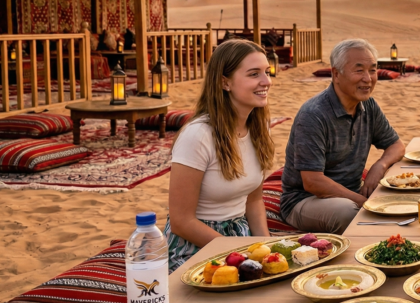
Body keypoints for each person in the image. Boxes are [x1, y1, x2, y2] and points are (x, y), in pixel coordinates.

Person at [165, 39, 275, 272]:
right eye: (254, 74)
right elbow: (181, 222)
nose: (266, 81)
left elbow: (253, 201)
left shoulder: (259, 127)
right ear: (225, 82)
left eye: (267, 72)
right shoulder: (199, 135)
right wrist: (237, 255)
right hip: (196, 245)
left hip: (238, 237)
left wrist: (268, 249)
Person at [280, 39, 405, 234]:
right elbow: (313, 181)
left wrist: (379, 166)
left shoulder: (369, 106)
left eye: (372, 70)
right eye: (359, 70)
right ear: (336, 74)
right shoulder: (314, 114)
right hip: (304, 200)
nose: (368, 78)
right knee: (350, 213)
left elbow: (396, 145)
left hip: (351, 194)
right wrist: (362, 202)